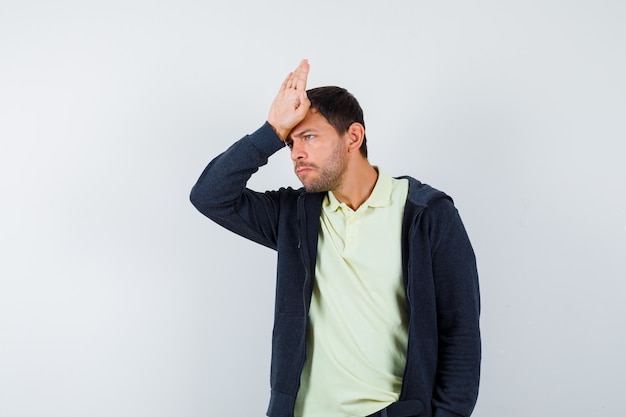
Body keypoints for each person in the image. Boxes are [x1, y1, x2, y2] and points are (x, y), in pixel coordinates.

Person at [190, 59, 481, 417]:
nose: (297, 153)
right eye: (290, 142)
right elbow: (209, 196)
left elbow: (460, 332)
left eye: (309, 137)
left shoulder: (427, 214)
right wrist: (270, 131)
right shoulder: (294, 216)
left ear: (353, 137)